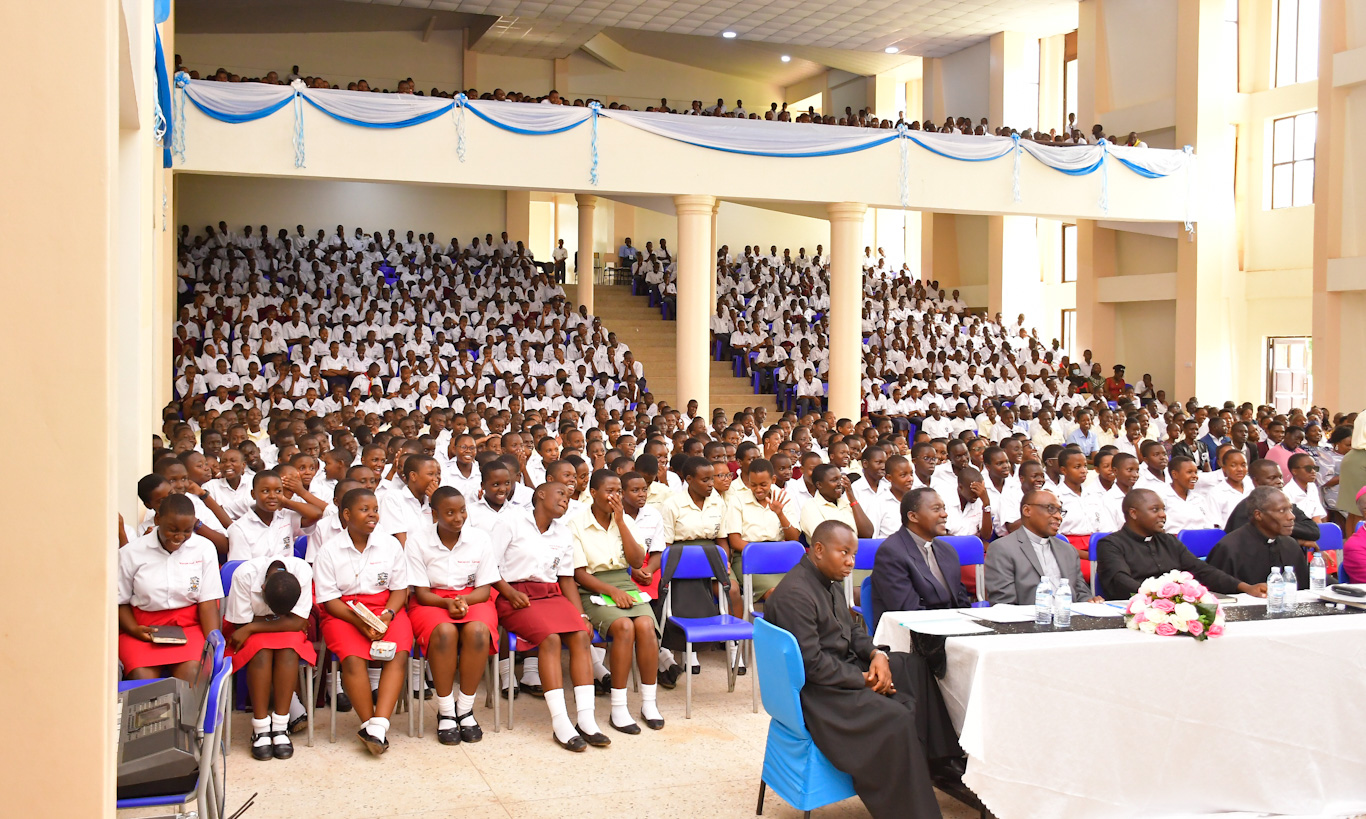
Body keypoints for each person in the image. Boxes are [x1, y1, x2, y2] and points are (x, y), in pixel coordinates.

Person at [762, 520, 964, 819]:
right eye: (844, 553)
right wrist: (863, 681)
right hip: (819, 693)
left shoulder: (824, 579)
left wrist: (875, 655)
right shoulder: (796, 594)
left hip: (839, 669)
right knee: (896, 717)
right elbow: (812, 664)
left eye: (853, 555)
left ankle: (939, 762)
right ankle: (912, 809)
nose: (850, 562)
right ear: (818, 550)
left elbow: (851, 627)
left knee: (914, 666)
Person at [491, 481, 605, 752]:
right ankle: (560, 722)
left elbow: (566, 579)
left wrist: (580, 614)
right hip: (515, 596)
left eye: (568, 497)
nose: (566, 500)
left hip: (550, 595)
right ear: (540, 494)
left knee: (580, 635)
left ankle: (586, 719)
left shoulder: (563, 534)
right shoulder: (511, 522)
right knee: (550, 639)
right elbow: (489, 566)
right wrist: (508, 592)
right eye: (560, 494)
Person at [313, 487, 414, 755]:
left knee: (398, 653)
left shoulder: (390, 544)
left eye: (375, 509)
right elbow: (329, 600)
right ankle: (370, 723)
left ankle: (377, 727)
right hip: (343, 613)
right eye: (364, 510)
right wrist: (360, 623)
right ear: (346, 515)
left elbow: (399, 590)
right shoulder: (329, 551)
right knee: (352, 657)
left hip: (386, 608)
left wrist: (387, 616)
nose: (373, 515)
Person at [569, 470, 664, 734]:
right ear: (593, 493)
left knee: (645, 626)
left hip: (623, 583)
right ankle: (618, 706)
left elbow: (635, 562)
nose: (615, 497)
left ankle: (648, 702)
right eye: (609, 491)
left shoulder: (624, 519)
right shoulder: (576, 524)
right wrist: (611, 591)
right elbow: (578, 573)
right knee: (623, 627)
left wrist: (621, 522)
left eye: (618, 492)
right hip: (593, 587)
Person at [405, 487, 497, 745]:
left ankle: (465, 708)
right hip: (432, 600)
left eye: (462, 511)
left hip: (472, 598)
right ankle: (446, 711)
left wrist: (462, 601)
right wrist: (447, 604)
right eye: (450, 513)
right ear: (434, 514)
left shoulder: (480, 538)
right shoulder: (418, 540)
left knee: (478, 631)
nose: (459, 518)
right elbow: (421, 593)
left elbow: (484, 589)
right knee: (444, 632)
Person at [118, 494, 224, 681]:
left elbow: (208, 603)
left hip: (189, 628)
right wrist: (134, 629)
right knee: (142, 679)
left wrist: (212, 645)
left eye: (187, 531)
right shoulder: (130, 553)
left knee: (193, 675)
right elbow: (121, 601)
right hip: (143, 630)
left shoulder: (204, 548)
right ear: (158, 519)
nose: (180, 537)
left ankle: (189, 712)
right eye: (172, 530)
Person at [223, 555, 316, 760]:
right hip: (249, 630)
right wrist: (282, 621)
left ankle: (281, 727)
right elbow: (240, 624)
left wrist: (255, 625)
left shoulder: (302, 571)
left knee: (289, 649)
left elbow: (298, 622)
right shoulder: (245, 575)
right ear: (263, 588)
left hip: (257, 627)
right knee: (260, 651)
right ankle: (260, 727)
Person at [1096, 489, 1267, 600]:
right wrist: (1165, 598)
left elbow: (1202, 570)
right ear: (1133, 513)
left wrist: (1246, 587)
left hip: (1177, 605)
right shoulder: (1111, 544)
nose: (1163, 515)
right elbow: (1121, 582)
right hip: (1135, 608)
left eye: (1163, 509)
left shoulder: (1168, 540)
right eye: (1155, 510)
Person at [869, 488, 972, 627]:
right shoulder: (891, 553)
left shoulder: (948, 551)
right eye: (936, 509)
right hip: (916, 637)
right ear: (913, 516)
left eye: (944, 508)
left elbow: (961, 602)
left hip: (954, 631)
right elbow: (908, 612)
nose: (944, 514)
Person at [984, 489, 1100, 605]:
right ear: (1027, 510)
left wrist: (1091, 602)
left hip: (1068, 619)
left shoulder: (1068, 550)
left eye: (1060, 511)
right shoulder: (1003, 549)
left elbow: (1081, 594)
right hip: (1027, 621)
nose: (1059, 517)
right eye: (1051, 509)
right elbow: (1003, 605)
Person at [1207, 487, 1310, 590]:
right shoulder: (1229, 548)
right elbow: (1216, 594)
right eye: (1282, 510)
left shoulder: (1291, 545)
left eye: (1290, 509)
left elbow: (1304, 589)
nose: (1291, 516)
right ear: (1258, 515)